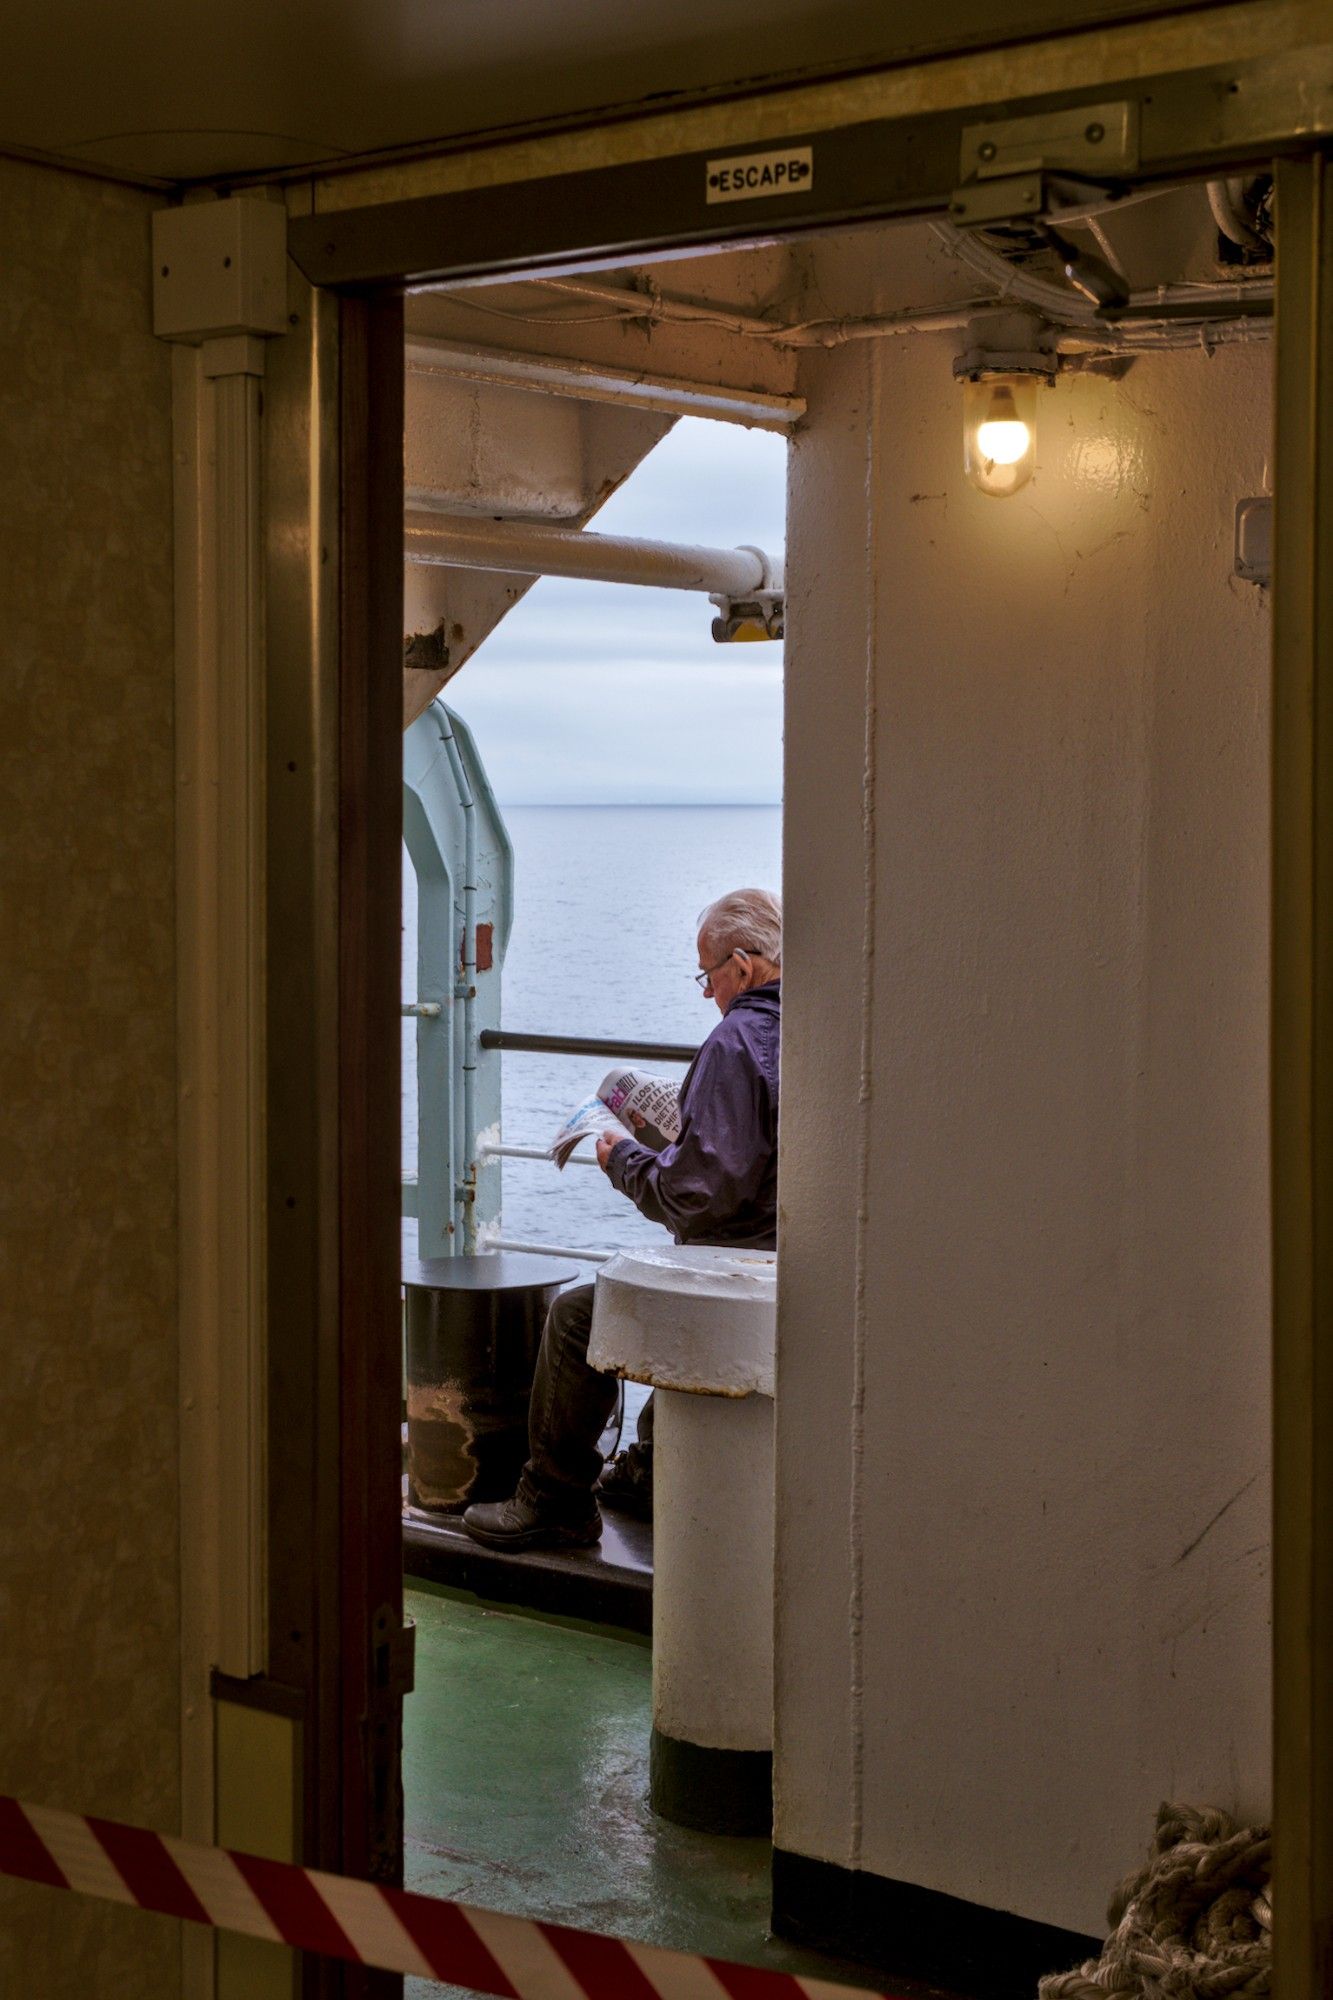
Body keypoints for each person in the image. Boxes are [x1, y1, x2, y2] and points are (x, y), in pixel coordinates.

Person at [462, 887, 782, 1550]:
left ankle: (552, 1498)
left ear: (744, 967)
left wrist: (622, 1157)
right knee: (663, 1284)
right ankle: (644, 1470)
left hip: (744, 1277)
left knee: (580, 1317)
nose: (706, 993)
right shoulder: (815, 1028)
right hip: (786, 1262)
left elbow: (699, 1199)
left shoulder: (735, 1042)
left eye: (708, 974)